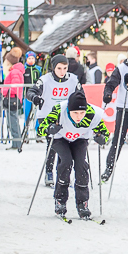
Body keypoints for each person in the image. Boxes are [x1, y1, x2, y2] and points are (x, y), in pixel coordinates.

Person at [37, 89, 110, 219]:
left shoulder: (92, 114)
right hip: (60, 138)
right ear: (69, 110)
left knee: (81, 164)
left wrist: (102, 138)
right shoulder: (59, 110)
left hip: (80, 139)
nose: (78, 116)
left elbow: (105, 132)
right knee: (66, 161)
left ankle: (82, 202)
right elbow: (40, 129)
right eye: (75, 113)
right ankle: (60, 200)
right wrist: (50, 129)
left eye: (82, 112)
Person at [26, 54, 82, 186]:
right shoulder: (45, 80)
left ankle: (62, 173)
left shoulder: (73, 79)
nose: (62, 72)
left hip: (65, 116)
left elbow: (81, 95)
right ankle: (49, 172)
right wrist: (35, 98)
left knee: (65, 145)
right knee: (53, 144)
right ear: (53, 68)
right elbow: (30, 92)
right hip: (47, 116)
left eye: (65, 68)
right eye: (59, 68)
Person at [100, 43, 128, 182]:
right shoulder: (121, 68)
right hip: (124, 107)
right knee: (118, 139)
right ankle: (109, 168)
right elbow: (111, 83)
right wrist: (108, 94)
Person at [1, 47, 24, 149]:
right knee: (12, 121)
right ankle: (16, 143)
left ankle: (17, 143)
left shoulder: (14, 72)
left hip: (12, 99)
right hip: (12, 98)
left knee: (13, 121)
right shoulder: (15, 71)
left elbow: (14, 87)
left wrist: (4, 90)